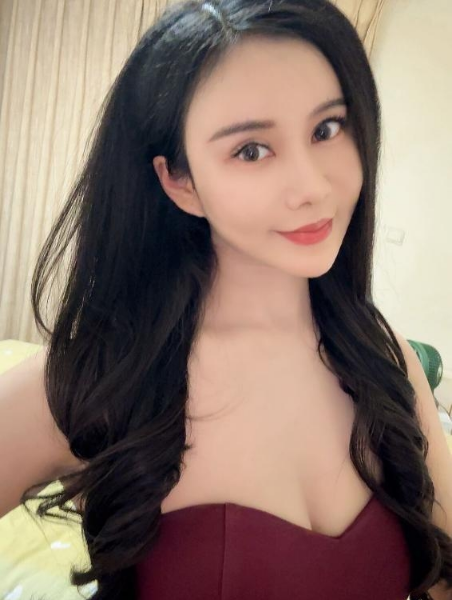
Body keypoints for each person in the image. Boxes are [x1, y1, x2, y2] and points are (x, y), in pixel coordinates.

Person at [0, 1, 450, 599]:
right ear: (179, 181)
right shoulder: (99, 377)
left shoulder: (385, 355)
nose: (313, 187)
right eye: (251, 150)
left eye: (327, 129)